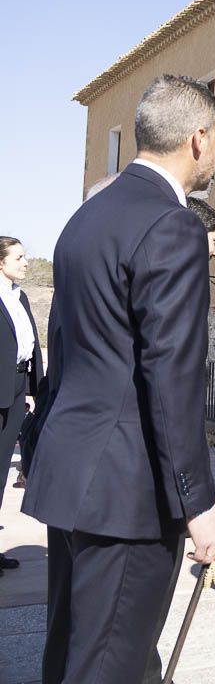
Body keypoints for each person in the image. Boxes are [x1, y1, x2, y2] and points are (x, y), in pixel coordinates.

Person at [22, 74, 215, 683]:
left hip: (76, 473)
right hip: (127, 495)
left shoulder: (85, 220)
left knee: (71, 653)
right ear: (197, 139)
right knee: (109, 664)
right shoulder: (174, 225)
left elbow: (65, 348)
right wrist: (198, 504)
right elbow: (172, 375)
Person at [0, 236, 42, 571]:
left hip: (15, 390)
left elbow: (30, 347)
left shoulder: (21, 296)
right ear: (1, 263)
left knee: (1, 470)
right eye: (19, 258)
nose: (26, 262)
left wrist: (32, 389)